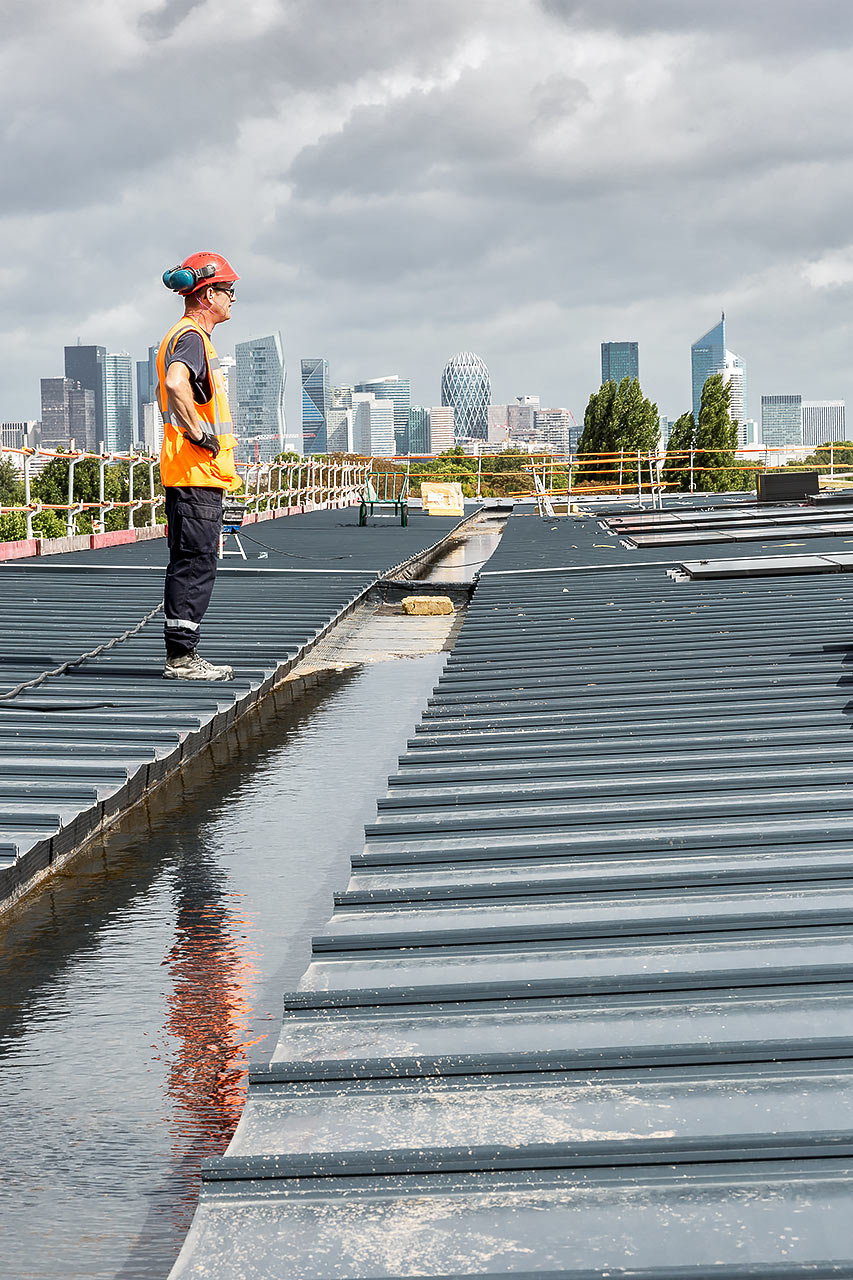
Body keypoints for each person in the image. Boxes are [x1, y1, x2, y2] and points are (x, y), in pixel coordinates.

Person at [156, 251, 241, 680]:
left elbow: (169, 393)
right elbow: (175, 383)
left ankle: (182, 653)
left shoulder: (184, 337)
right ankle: (183, 659)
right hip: (195, 472)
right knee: (196, 560)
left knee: (191, 559)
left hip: (190, 474)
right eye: (229, 291)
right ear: (207, 294)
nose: (233, 300)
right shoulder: (191, 337)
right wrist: (199, 435)